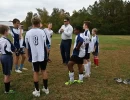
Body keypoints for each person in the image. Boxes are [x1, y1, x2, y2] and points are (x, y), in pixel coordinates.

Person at [25, 17, 49, 97]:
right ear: (39, 23)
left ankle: (37, 91)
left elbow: (27, 46)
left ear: (32, 23)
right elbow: (46, 45)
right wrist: (47, 55)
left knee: (35, 72)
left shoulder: (28, 33)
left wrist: (27, 56)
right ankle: (46, 89)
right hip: (43, 55)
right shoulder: (42, 32)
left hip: (34, 55)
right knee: (44, 70)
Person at [0, 25, 15, 93]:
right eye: (8, 30)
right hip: (7, 57)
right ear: (5, 31)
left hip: (2, 56)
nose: (8, 32)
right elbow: (9, 50)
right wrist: (13, 52)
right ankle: (7, 90)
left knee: (6, 73)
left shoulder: (0, 39)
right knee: (7, 74)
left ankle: (7, 87)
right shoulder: (6, 40)